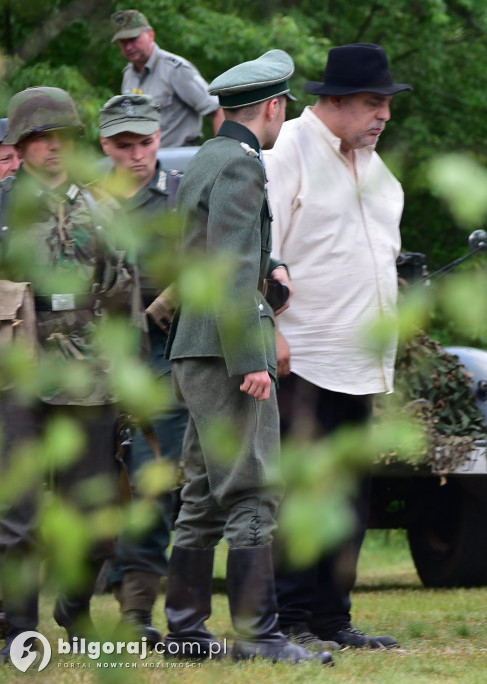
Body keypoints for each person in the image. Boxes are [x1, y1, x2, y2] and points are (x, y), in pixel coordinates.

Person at [163, 49, 330, 665]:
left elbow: (218, 254)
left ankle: (185, 630)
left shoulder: (210, 158)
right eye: (284, 106)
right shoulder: (240, 166)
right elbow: (230, 272)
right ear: (272, 106)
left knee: (205, 490)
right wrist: (252, 359)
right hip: (226, 350)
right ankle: (259, 638)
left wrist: (271, 264)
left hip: (198, 348)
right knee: (253, 486)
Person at [263, 42, 408, 651]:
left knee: (350, 495)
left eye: (387, 105)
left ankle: (332, 618)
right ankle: (292, 617)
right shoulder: (287, 153)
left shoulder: (376, 170)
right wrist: (268, 331)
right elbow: (258, 253)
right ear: (336, 101)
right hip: (304, 354)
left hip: (360, 358)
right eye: (374, 104)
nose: (384, 116)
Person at [0, 86, 135, 657]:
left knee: (95, 514)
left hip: (89, 371)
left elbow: (124, 293)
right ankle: (17, 630)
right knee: (19, 515)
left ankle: (75, 607)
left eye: (62, 136)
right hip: (18, 370)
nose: (54, 146)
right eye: (40, 137)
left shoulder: (102, 207)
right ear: (21, 144)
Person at [98, 93, 188, 644]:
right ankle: (74, 597)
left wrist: (167, 304)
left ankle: (136, 612)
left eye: (147, 143)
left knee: (159, 480)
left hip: (160, 351)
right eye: (124, 145)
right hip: (95, 354)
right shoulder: (85, 202)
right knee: (97, 483)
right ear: (105, 145)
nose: (138, 156)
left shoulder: (178, 198)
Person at [112, 9, 224, 147]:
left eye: (133, 39)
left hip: (179, 158)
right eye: (123, 42)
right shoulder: (128, 74)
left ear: (150, 35)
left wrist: (221, 154)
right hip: (146, 160)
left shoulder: (175, 69)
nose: (129, 47)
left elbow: (217, 109)